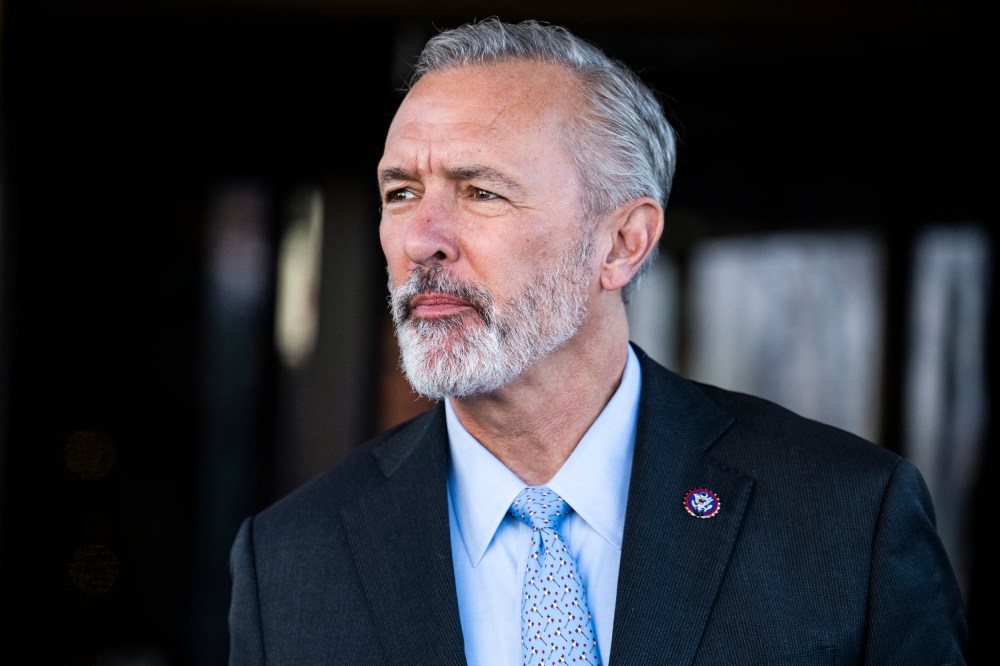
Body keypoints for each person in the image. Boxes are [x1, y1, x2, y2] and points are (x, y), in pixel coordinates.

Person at [228, 17, 969, 665]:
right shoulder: (291, 560)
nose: (422, 239)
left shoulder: (846, 520)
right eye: (401, 193)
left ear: (622, 242)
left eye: (481, 192)